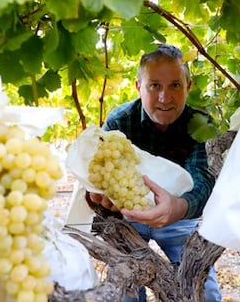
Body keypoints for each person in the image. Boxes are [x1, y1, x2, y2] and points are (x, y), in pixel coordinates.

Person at [89, 44, 222, 302]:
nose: (165, 97)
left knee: (205, 294)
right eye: (154, 86)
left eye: (175, 85)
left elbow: (203, 179)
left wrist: (179, 208)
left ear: (188, 86)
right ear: (139, 87)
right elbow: (102, 172)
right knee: (124, 295)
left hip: (179, 217)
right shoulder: (119, 122)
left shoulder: (201, 124)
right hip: (129, 218)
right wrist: (97, 196)